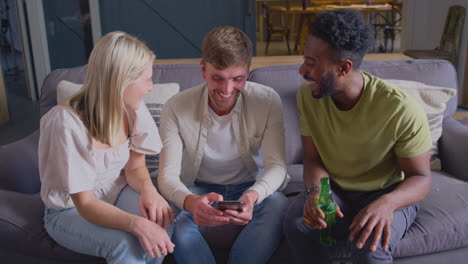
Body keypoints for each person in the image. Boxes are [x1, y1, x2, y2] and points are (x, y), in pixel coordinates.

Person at [283, 9, 432, 264]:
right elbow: (312, 158)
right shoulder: (308, 97)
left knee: (371, 247)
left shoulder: (400, 108)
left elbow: (421, 177)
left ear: (344, 68)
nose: (302, 71)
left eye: (312, 63)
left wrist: (388, 203)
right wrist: (316, 192)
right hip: (336, 189)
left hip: (388, 192)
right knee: (296, 223)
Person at [39, 31, 174, 264]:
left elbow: (135, 169)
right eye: (146, 79)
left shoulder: (132, 107)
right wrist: (136, 224)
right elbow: (86, 203)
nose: (151, 87)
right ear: (121, 82)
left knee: (162, 219)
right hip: (69, 210)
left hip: (115, 192)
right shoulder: (64, 123)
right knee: (124, 246)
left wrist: (149, 191)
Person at [158, 26, 290, 264]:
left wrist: (252, 196)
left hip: (249, 185)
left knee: (278, 204)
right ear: (203, 69)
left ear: (248, 72)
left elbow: (277, 166)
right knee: (170, 215)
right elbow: (167, 176)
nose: (227, 90)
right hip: (199, 188)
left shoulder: (267, 100)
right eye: (217, 78)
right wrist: (190, 202)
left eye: (237, 79)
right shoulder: (176, 106)